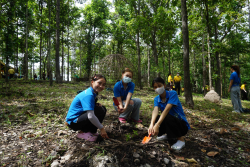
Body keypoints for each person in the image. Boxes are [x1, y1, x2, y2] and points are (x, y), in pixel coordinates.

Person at [148, 77, 190, 151]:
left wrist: (157, 125)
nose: (157, 88)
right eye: (155, 87)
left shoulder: (172, 93)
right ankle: (169, 135)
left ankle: (181, 140)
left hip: (181, 125)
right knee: (157, 118)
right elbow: (155, 110)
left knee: (166, 116)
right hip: (170, 122)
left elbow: (167, 109)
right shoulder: (156, 99)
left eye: (159, 86)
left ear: (164, 85)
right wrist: (152, 124)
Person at [66, 74, 109, 141]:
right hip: (73, 122)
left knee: (102, 109)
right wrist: (101, 128)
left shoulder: (93, 92)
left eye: (103, 84)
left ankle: (91, 131)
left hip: (79, 117)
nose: (101, 86)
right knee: (98, 110)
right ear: (92, 82)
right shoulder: (88, 95)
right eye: (99, 83)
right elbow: (90, 116)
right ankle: (82, 133)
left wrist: (95, 104)